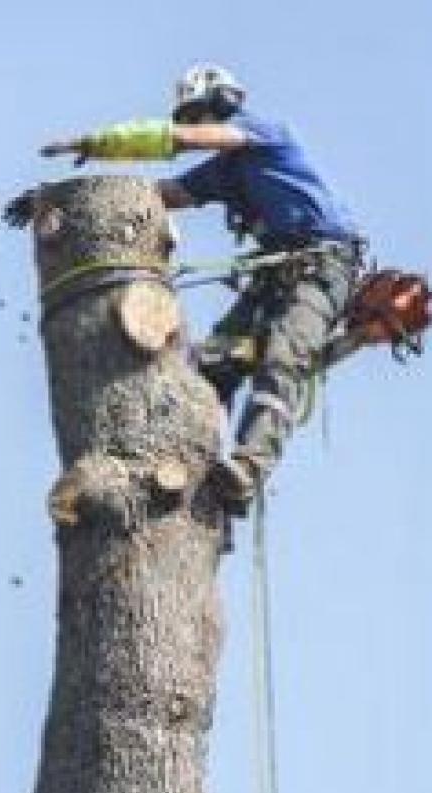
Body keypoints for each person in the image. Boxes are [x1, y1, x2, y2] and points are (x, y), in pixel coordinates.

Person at [40, 65, 365, 514]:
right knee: (209, 367)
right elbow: (156, 195)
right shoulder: (223, 174)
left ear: (220, 108)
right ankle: (193, 473)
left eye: (198, 116)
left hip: (324, 265)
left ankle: (249, 468)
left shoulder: (263, 133)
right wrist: (60, 202)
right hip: (275, 276)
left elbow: (185, 142)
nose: (194, 127)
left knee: (282, 359)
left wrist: (99, 143)